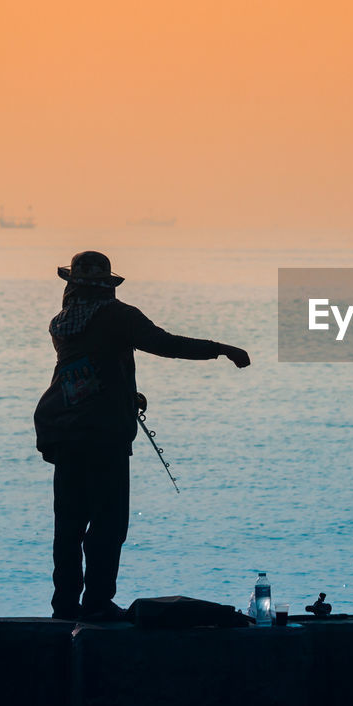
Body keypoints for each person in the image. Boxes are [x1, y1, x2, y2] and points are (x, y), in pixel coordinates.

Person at [34, 251, 250, 621]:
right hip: (103, 435)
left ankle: (65, 606)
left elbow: (87, 368)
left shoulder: (62, 322)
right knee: (108, 522)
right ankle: (98, 604)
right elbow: (168, 345)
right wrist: (221, 349)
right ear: (107, 287)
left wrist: (124, 393)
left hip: (63, 430)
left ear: (71, 286)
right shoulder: (118, 315)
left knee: (68, 525)